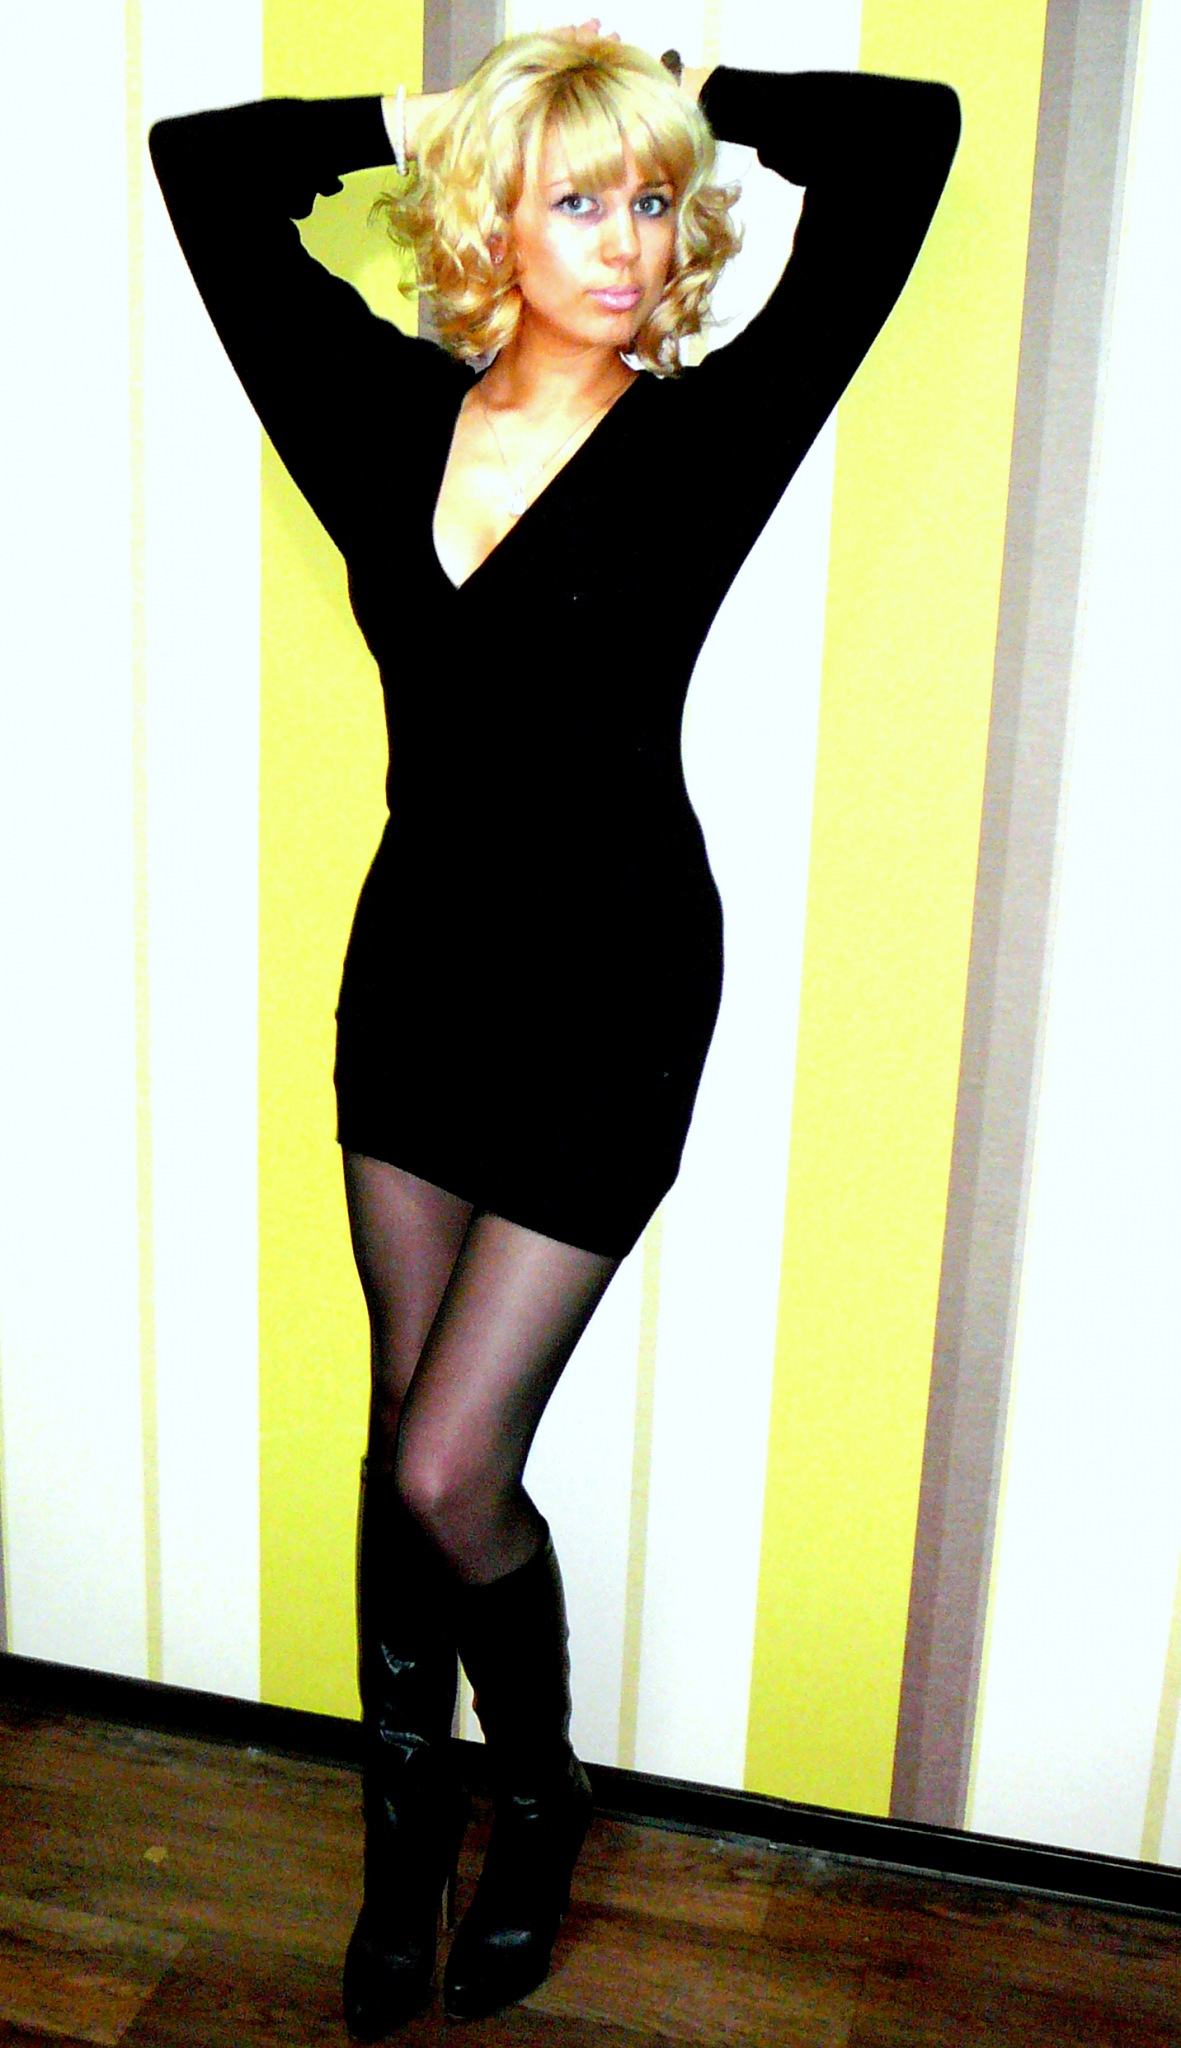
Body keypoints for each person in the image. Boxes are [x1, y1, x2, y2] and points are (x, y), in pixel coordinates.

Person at [149, 22, 959, 2035]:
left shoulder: (707, 434)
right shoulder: (372, 411)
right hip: (419, 975)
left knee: (450, 1466)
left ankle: (536, 1795)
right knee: (397, 1428)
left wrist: (689, 100)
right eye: (578, 197)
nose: (627, 239)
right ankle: (399, 1843)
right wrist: (446, 114)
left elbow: (909, 140)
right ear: (491, 218)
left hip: (611, 988)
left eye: (653, 201)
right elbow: (200, 170)